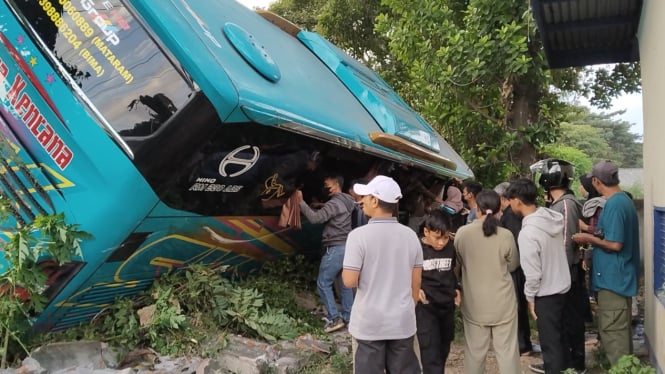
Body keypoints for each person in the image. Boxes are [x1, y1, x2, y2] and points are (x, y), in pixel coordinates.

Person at [342, 175, 422, 374]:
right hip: (402, 322)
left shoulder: (357, 237)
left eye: (366, 197)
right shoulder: (410, 236)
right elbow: (416, 284)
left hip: (369, 323)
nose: (362, 201)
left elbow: (349, 281)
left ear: (375, 201)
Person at [572, 160, 640, 366]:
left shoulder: (615, 204)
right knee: (619, 333)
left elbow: (616, 244)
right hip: (617, 279)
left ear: (596, 181)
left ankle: (622, 370)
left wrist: (587, 239)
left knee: (613, 334)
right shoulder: (622, 201)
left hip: (614, 281)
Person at [505, 179, 571, 374]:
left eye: (510, 201)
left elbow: (533, 273)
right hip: (563, 287)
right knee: (560, 338)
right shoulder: (552, 218)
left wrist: (530, 298)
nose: (509, 205)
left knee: (550, 345)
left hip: (547, 293)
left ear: (517, 201)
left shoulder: (528, 233)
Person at [531, 159, 589, 373]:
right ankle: (563, 362)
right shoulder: (561, 203)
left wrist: (559, 276)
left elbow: (566, 241)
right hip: (565, 272)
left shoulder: (564, 204)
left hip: (567, 272)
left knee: (569, 320)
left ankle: (573, 364)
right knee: (564, 320)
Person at [454, 190, 520, 374]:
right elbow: (513, 265)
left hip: (474, 303)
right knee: (507, 353)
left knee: (475, 353)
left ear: (477, 207)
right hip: (503, 303)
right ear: (499, 209)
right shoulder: (506, 235)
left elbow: (457, 265)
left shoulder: (462, 233)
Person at [297, 173, 356, 333]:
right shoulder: (348, 200)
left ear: (336, 184)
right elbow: (336, 210)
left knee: (323, 283)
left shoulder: (334, 203)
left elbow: (316, 219)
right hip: (347, 246)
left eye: (327, 183)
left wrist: (300, 202)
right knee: (344, 284)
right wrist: (322, 204)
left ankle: (334, 318)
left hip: (335, 248)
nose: (324, 186)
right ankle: (349, 318)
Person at [494, 182, 536, 357]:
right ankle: (524, 341)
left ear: (505, 199)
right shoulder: (518, 214)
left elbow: (510, 242)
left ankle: (522, 344)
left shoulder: (510, 215)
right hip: (524, 264)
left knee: (517, 306)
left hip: (516, 266)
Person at [416, 210, 461, 374]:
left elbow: (451, 269)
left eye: (445, 237)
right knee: (430, 350)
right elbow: (405, 272)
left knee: (444, 345)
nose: (442, 242)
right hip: (426, 307)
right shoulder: (416, 248)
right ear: (426, 231)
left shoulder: (450, 246)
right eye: (437, 237)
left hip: (447, 304)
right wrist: (414, 288)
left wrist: (456, 288)